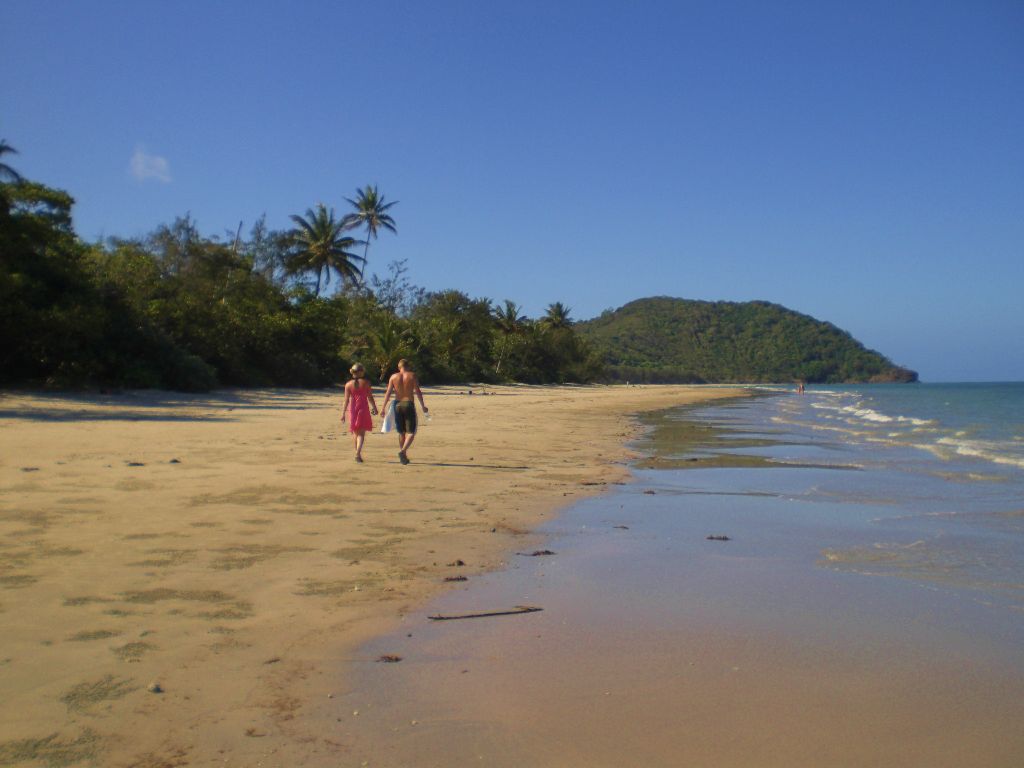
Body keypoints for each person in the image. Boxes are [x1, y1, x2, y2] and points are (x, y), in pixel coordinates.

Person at [380, 358, 428, 465]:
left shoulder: (393, 377)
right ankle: (402, 452)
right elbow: (418, 391)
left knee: (401, 432)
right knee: (411, 432)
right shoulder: (412, 375)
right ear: (408, 366)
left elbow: (388, 393)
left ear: (399, 367)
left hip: (397, 405)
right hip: (408, 404)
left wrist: (383, 408)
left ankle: (404, 456)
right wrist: (423, 406)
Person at [341, 363, 378, 463]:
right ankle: (357, 453)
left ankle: (357, 453)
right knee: (361, 434)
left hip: (352, 409)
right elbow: (370, 397)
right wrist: (374, 407)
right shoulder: (366, 383)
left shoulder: (348, 384)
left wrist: (343, 413)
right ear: (361, 372)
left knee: (355, 432)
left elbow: (346, 400)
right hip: (362, 408)